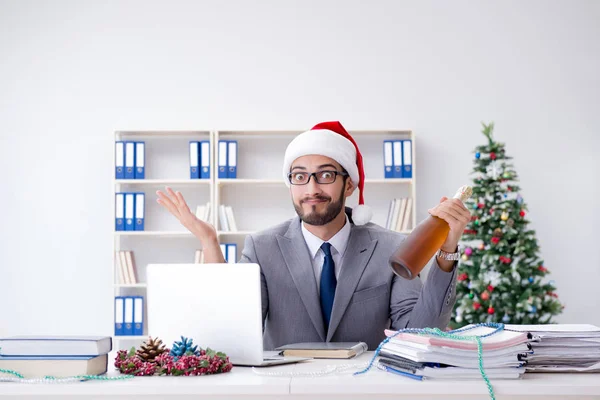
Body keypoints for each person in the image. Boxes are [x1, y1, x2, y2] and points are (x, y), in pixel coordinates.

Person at [156, 121, 471, 350]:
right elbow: (233, 327)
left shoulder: (389, 246)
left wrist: (446, 251)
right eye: (300, 176)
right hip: (284, 392)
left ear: (348, 185)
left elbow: (419, 332)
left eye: (325, 175)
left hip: (363, 391)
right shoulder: (262, 247)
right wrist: (210, 243)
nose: (311, 189)